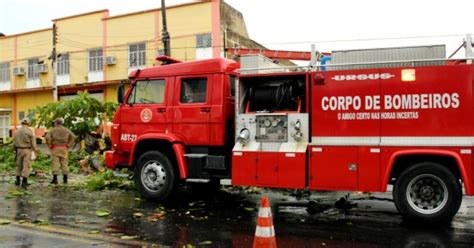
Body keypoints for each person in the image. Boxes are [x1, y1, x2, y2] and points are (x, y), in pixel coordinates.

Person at [45, 118, 75, 184]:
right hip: (64, 148)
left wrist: (49, 145)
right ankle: (65, 179)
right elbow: (73, 137)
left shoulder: (52, 130)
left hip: (55, 148)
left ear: (56, 123)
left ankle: (55, 179)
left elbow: (47, 137)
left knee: (55, 163)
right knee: (64, 163)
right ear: (62, 123)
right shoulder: (67, 130)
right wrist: (68, 145)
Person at [12, 119, 37, 186]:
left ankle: (17, 180)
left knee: (18, 165)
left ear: (21, 123)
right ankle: (24, 181)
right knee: (26, 165)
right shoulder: (30, 131)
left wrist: (14, 150)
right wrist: (35, 150)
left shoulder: (16, 132)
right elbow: (33, 143)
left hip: (19, 150)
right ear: (28, 124)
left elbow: (14, 142)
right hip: (27, 150)